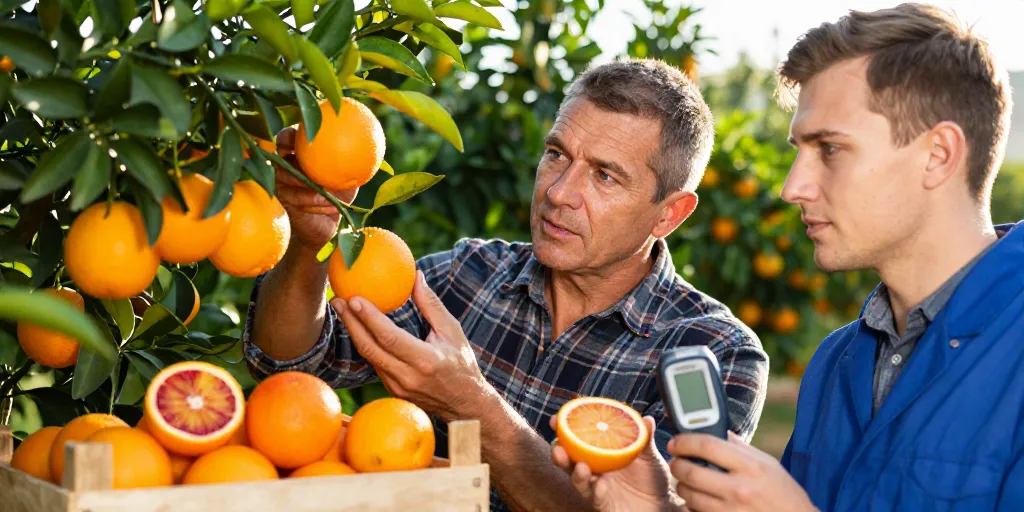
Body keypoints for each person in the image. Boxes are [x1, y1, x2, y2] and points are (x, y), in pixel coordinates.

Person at [552, 3, 1023, 511]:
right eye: (798, 148)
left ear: (938, 154)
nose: (791, 186)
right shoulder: (837, 363)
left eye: (830, 149)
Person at [242, 58, 769, 511]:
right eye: (557, 154)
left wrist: (473, 406)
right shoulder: (469, 275)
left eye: (605, 176)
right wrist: (310, 245)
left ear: (668, 215)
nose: (560, 192)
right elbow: (291, 362)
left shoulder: (712, 352)